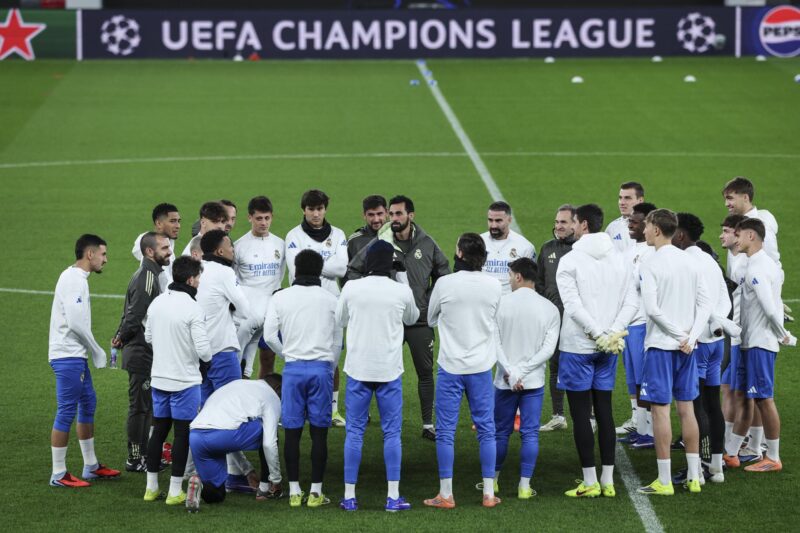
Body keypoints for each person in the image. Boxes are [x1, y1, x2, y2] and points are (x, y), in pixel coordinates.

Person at [347, 195, 450, 440]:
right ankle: (365, 417)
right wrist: (368, 294)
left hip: (420, 322)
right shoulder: (381, 243)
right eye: (391, 214)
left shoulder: (426, 243)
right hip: (388, 322)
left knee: (425, 371)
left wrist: (428, 301)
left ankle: (427, 424)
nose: (393, 219)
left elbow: (444, 274)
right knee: (376, 369)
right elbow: (353, 269)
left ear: (410, 216)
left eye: (398, 214)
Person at [556, 204, 637, 498]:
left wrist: (597, 333)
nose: (570, 227)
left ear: (584, 224)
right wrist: (613, 332)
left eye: (573, 222)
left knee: (580, 415)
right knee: (604, 411)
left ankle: (589, 481)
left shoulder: (570, 260)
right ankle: (609, 481)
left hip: (579, 346)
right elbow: (632, 302)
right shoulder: (621, 258)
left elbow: (573, 306)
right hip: (609, 347)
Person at [336, 241, 419, 512]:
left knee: (355, 433)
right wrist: (404, 277)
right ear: (391, 265)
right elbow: (413, 317)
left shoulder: (351, 287)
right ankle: (393, 496)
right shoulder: (401, 290)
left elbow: (341, 320)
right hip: (389, 370)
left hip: (358, 369)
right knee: (392, 434)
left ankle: (349, 496)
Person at [423, 233, 502, 509]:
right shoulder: (494, 285)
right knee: (486, 430)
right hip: (481, 367)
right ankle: (489, 494)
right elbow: (497, 320)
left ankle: (446, 494)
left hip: (451, 366)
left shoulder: (445, 283)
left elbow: (431, 318)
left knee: (445, 431)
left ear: (459, 253)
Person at [637, 209, 711, 496]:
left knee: (660, 411)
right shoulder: (690, 261)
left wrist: (679, 336)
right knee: (687, 409)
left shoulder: (650, 262)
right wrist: (691, 337)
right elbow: (705, 304)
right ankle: (694, 477)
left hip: (661, 346)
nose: (643, 230)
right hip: (687, 349)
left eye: (646, 226)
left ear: (656, 229)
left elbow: (653, 310)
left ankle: (665, 480)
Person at [263, 249, 342, 508]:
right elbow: (338, 341)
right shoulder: (331, 299)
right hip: (321, 370)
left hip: (294, 370)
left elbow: (270, 336)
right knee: (320, 434)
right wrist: (329, 365)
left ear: (296, 269)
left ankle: (295, 490)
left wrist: (286, 354)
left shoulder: (281, 297)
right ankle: (316, 493)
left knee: (293, 433)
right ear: (320, 271)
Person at [49, 234, 119, 487]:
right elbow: (75, 322)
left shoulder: (77, 278)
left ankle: (91, 466)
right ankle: (58, 473)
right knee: (66, 410)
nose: (106, 260)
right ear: (90, 254)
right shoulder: (73, 279)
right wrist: (97, 349)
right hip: (67, 355)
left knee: (88, 402)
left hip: (73, 354)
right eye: (103, 254)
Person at [726, 218, 794, 473]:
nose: (735, 237)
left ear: (752, 236)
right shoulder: (755, 264)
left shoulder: (758, 268)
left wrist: (783, 334)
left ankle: (773, 457)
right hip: (748, 342)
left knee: (765, 399)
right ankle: (731, 453)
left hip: (759, 343)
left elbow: (769, 307)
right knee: (744, 396)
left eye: (739, 234)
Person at [671, 213, 736, 483]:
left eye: (672, 231)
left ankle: (697, 467)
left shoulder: (684, 262)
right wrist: (717, 324)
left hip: (696, 343)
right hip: (716, 343)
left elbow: (688, 302)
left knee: (693, 407)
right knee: (712, 404)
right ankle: (717, 467)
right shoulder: (709, 259)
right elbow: (725, 300)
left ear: (682, 235)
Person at [143, 256, 211, 504]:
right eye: (199, 278)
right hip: (185, 381)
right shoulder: (193, 308)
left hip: (159, 378)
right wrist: (205, 360)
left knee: (158, 431)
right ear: (192, 279)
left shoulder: (158, 303)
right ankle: (174, 491)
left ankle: (151, 488)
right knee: (182, 435)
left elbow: (149, 336)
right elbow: (204, 351)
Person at [197, 229, 260, 492]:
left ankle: (206, 478)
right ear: (220, 251)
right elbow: (247, 311)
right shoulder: (224, 273)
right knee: (232, 415)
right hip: (222, 352)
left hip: (196, 354)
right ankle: (240, 473)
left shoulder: (195, 269)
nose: (234, 250)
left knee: (204, 417)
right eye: (230, 246)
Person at [491, 258, 559, 499]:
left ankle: (493, 482)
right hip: (533, 383)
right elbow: (548, 350)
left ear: (518, 276)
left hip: (504, 381)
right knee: (529, 434)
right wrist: (524, 371)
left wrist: (511, 371)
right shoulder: (549, 308)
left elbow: (494, 343)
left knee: (500, 433)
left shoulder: (500, 304)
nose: (508, 280)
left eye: (509, 275)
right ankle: (524, 486)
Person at [285, 189, 348, 427]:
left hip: (332, 306)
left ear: (325, 209)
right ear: (304, 210)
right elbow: (295, 268)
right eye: (311, 209)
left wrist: (310, 263)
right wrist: (327, 264)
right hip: (302, 306)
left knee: (332, 358)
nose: (315, 214)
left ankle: (332, 410)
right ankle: (300, 408)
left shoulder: (338, 234)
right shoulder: (293, 235)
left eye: (319, 209)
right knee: (300, 356)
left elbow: (342, 269)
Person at [113, 232, 172, 472]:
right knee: (139, 407)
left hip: (144, 350)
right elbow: (135, 315)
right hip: (140, 352)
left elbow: (129, 312)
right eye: (165, 248)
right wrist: (121, 336)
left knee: (146, 406)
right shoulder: (147, 277)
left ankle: (145, 455)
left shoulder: (152, 275)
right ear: (150, 252)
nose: (169, 251)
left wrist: (120, 334)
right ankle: (135, 458)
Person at [186, 375, 283, 511]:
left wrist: (247, 470)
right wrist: (276, 479)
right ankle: (264, 488)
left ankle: (199, 485)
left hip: (196, 435)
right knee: (269, 432)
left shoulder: (236, 384)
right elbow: (269, 444)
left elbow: (229, 441)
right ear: (277, 388)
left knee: (216, 495)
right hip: (223, 435)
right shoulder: (271, 395)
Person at [616, 202, 657, 446]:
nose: (629, 224)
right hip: (629, 323)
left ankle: (651, 432)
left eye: (635, 221)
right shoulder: (630, 250)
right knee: (632, 379)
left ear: (648, 224)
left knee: (644, 380)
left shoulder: (652, 252)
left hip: (643, 322)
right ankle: (641, 428)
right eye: (629, 220)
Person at [233, 196, 286, 379]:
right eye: (259, 218)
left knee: (265, 354)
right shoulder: (239, 246)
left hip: (272, 307)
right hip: (248, 309)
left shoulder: (280, 244)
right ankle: (235, 376)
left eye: (267, 218)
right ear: (250, 218)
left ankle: (256, 388)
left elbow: (281, 274)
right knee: (242, 347)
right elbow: (234, 279)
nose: (264, 223)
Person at [537, 204, 576, 432]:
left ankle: (589, 415)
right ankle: (558, 415)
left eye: (563, 222)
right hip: (554, 318)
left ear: (575, 224)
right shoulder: (547, 249)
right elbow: (540, 283)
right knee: (555, 366)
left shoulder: (581, 250)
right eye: (557, 221)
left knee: (580, 366)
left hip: (578, 320)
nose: (558, 226)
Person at [480, 201, 536, 295]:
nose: (493, 225)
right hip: (484, 301)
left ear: (509, 220)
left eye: (498, 221)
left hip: (512, 303)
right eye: (490, 220)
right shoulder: (479, 242)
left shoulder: (525, 246)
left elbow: (530, 282)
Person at [722, 177, 780, 267]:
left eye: (730, 198)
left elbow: (771, 261)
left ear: (745, 197)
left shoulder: (760, 225)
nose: (726, 204)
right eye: (725, 199)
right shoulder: (737, 221)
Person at [132, 203, 181, 290]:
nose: (178, 226)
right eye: (172, 221)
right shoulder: (156, 250)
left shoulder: (167, 244)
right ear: (158, 223)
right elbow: (164, 285)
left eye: (178, 221)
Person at [605, 181, 645, 252]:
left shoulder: (651, 226)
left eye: (627, 198)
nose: (622, 203)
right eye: (620, 198)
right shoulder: (612, 228)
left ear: (640, 200)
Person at [347, 195, 388, 261]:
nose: (376, 220)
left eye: (379, 214)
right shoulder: (354, 241)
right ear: (364, 215)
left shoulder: (398, 236)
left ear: (387, 212)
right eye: (371, 215)